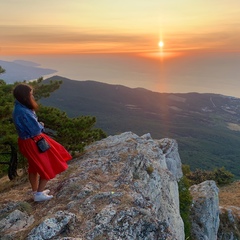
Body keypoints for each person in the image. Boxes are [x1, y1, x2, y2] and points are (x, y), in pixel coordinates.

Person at [12, 83, 72, 202]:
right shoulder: (23, 111)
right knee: (48, 164)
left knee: (34, 167)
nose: (32, 97)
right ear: (25, 96)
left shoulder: (20, 107)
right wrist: (41, 125)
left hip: (28, 141)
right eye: (30, 94)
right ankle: (39, 194)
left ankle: (36, 192)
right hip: (33, 141)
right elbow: (35, 129)